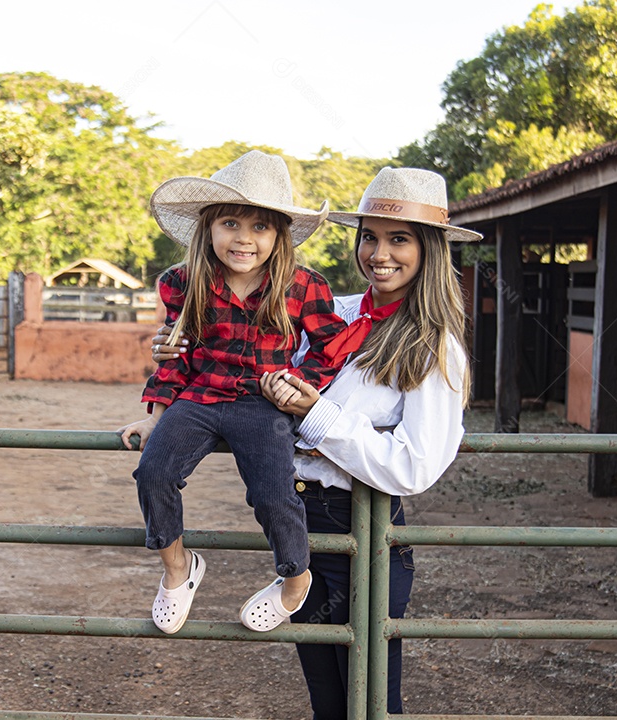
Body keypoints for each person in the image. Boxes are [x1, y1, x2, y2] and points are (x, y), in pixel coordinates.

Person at [152, 167, 481, 716]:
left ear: (430, 249)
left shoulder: (433, 346)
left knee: (372, 697)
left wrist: (316, 414)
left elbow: (416, 467)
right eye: (370, 236)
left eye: (399, 239)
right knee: (327, 698)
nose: (380, 253)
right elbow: (233, 348)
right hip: (303, 518)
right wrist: (175, 342)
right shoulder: (335, 311)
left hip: (363, 529)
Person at [118, 150, 348, 636]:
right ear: (208, 228)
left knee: (272, 494)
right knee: (153, 470)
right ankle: (179, 568)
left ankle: (294, 577)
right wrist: (156, 416)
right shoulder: (183, 282)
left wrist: (298, 384)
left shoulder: (303, 285)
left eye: (260, 227)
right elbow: (174, 353)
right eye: (230, 223)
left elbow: (331, 346)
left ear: (278, 235)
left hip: (263, 405)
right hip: (199, 397)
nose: (244, 238)